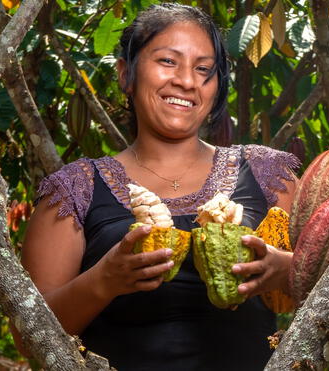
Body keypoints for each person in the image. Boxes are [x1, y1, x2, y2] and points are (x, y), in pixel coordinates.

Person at [21, 3, 299, 370]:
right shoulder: (76, 190)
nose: (186, 81)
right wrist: (104, 280)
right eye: (168, 61)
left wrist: (289, 270)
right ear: (126, 74)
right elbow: (28, 337)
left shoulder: (269, 174)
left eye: (203, 69)